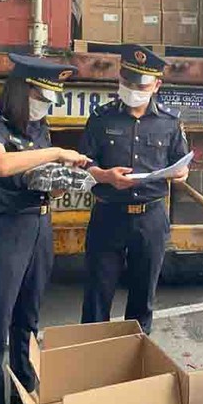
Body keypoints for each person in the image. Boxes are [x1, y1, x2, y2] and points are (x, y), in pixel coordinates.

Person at [0, 53, 90, 404]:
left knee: (27, 319)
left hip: (38, 227)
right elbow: (1, 165)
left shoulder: (38, 128)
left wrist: (61, 181)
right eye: (43, 97)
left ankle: (24, 391)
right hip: (2, 232)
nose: (46, 106)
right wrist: (55, 152)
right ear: (23, 91)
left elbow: (38, 178)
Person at [80, 44, 189, 334]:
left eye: (139, 84)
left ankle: (137, 360)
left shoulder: (170, 121)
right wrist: (104, 175)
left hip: (150, 218)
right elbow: (84, 162)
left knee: (143, 297)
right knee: (97, 295)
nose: (132, 89)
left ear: (157, 85)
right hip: (108, 215)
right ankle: (88, 359)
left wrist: (181, 173)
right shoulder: (101, 118)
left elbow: (181, 161)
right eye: (126, 81)